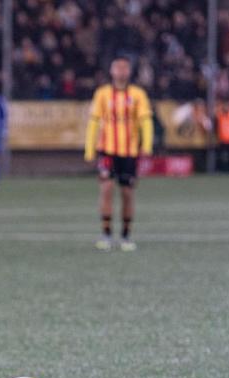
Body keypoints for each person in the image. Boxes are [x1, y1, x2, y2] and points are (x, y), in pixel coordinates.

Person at [84, 56, 153, 251]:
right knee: (106, 189)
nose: (121, 71)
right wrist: (89, 149)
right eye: (118, 67)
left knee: (127, 193)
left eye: (125, 68)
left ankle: (125, 235)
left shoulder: (138, 94)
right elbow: (94, 121)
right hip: (106, 150)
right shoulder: (102, 94)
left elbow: (145, 121)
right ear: (112, 71)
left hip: (129, 152)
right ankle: (106, 234)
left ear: (129, 72)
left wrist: (146, 145)